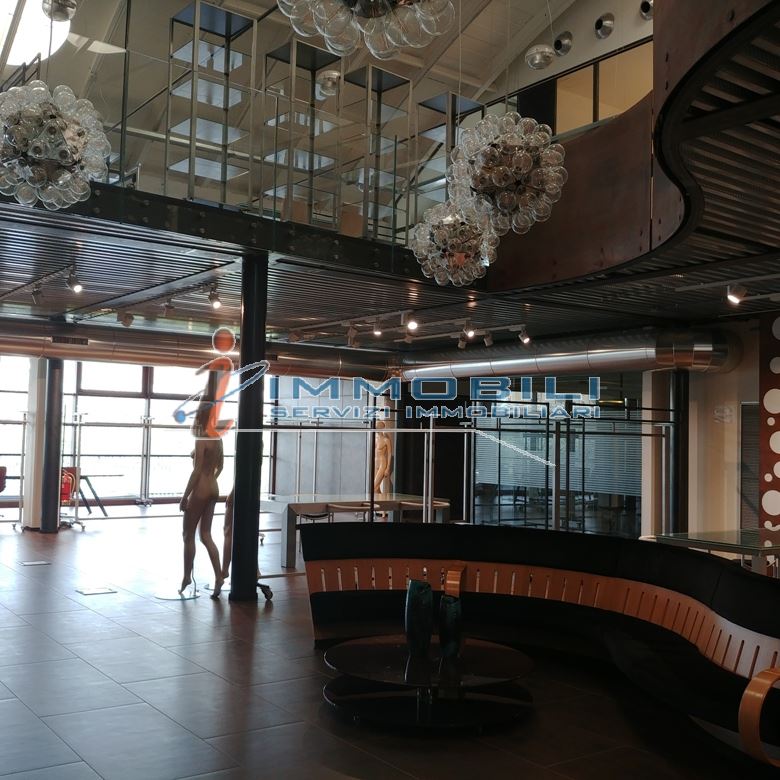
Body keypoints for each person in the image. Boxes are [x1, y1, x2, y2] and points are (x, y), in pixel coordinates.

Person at [179, 395, 225, 598]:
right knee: (206, 535)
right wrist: (210, 482)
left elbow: (197, 470)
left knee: (188, 535)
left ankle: (186, 576)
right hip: (214, 487)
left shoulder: (201, 439)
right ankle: (219, 576)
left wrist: (185, 495)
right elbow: (220, 466)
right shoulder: (217, 437)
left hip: (201, 489)